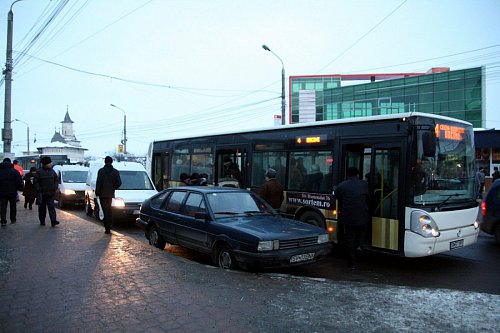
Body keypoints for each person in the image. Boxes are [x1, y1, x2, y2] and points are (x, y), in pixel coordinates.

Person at [334, 167, 370, 270]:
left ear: (348, 174)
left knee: (350, 239)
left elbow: (336, 196)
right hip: (363, 217)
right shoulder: (364, 184)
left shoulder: (342, 185)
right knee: (360, 237)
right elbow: (368, 198)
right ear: (357, 174)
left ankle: (352, 263)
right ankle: (359, 251)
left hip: (349, 217)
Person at [95, 156, 122, 234]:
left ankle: (107, 227)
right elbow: (119, 183)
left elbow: (98, 183)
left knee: (105, 210)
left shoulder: (101, 171)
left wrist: (97, 193)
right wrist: (113, 188)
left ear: (105, 162)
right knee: (109, 209)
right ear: (111, 162)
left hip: (102, 194)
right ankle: (109, 225)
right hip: (110, 194)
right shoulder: (115, 172)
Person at [33, 156, 60, 227]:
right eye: (50, 163)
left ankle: (53, 221)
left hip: (51, 193)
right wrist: (39, 189)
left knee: (51, 207)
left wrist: (55, 187)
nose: (51, 164)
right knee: (42, 208)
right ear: (46, 164)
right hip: (42, 194)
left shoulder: (52, 171)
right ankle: (42, 221)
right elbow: (35, 182)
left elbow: (56, 180)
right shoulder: (39, 172)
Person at [0, 158, 24, 226]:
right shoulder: (14, 171)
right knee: (13, 206)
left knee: (3, 206)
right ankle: (13, 219)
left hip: (2, 192)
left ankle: (3, 221)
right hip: (12, 191)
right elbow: (19, 181)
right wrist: (19, 188)